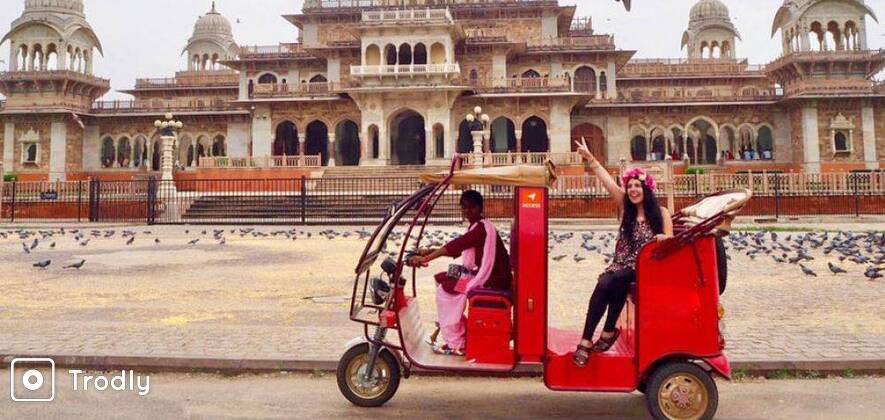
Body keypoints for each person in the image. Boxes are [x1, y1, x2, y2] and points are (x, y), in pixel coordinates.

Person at [572, 138, 673, 368]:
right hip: (621, 265)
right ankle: (591, 338)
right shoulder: (626, 208)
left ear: (646, 189)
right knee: (604, 283)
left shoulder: (662, 212)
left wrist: (663, 238)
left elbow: (670, 240)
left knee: (615, 280)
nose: (633, 190)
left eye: (637, 186)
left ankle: (604, 333)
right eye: (629, 187)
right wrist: (590, 159)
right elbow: (607, 182)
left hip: (644, 268)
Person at [407, 190, 512, 356]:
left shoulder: (481, 229)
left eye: (471, 208)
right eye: (464, 208)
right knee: (444, 278)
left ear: (479, 208)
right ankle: (457, 329)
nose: (467, 211)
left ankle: (456, 342)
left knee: (445, 291)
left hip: (490, 280)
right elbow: (459, 248)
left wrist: (426, 258)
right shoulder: (480, 226)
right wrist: (428, 252)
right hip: (487, 275)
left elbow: (455, 246)